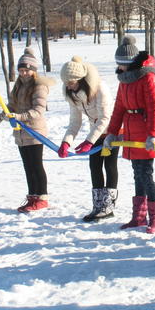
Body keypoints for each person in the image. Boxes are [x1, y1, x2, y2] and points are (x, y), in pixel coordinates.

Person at [104, 36, 155, 234]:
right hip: (131, 133)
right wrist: (111, 133)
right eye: (118, 64)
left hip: (146, 134)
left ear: (131, 63)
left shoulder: (148, 78)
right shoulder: (124, 81)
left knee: (146, 175)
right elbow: (118, 109)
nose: (119, 67)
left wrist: (153, 135)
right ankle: (138, 216)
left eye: (122, 64)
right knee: (137, 175)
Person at [0, 47, 55, 212]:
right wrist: (3, 114)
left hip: (35, 132)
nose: (23, 73)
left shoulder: (39, 86)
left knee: (36, 164)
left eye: (27, 70)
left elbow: (38, 111)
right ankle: (32, 196)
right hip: (21, 133)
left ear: (33, 70)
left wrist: (18, 117)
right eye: (21, 70)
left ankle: (41, 197)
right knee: (27, 166)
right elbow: (12, 105)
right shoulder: (18, 86)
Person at [57, 56, 117, 222]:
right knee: (94, 166)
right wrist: (66, 141)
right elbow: (75, 122)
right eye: (66, 82)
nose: (68, 85)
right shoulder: (72, 94)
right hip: (95, 131)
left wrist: (89, 141)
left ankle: (108, 207)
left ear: (81, 79)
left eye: (72, 81)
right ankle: (98, 206)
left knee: (109, 165)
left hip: (112, 130)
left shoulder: (100, 88)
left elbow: (105, 118)